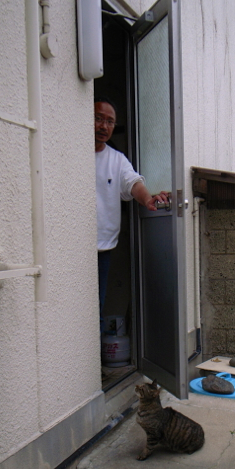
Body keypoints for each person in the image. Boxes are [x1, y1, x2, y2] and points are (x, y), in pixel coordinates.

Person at [94, 96, 168, 331]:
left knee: (95, 309)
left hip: (102, 247)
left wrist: (147, 199)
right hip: (68, 247)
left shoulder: (116, 159)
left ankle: (94, 353)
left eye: (110, 122)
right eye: (98, 119)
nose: (104, 126)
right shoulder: (71, 153)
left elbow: (133, 182)